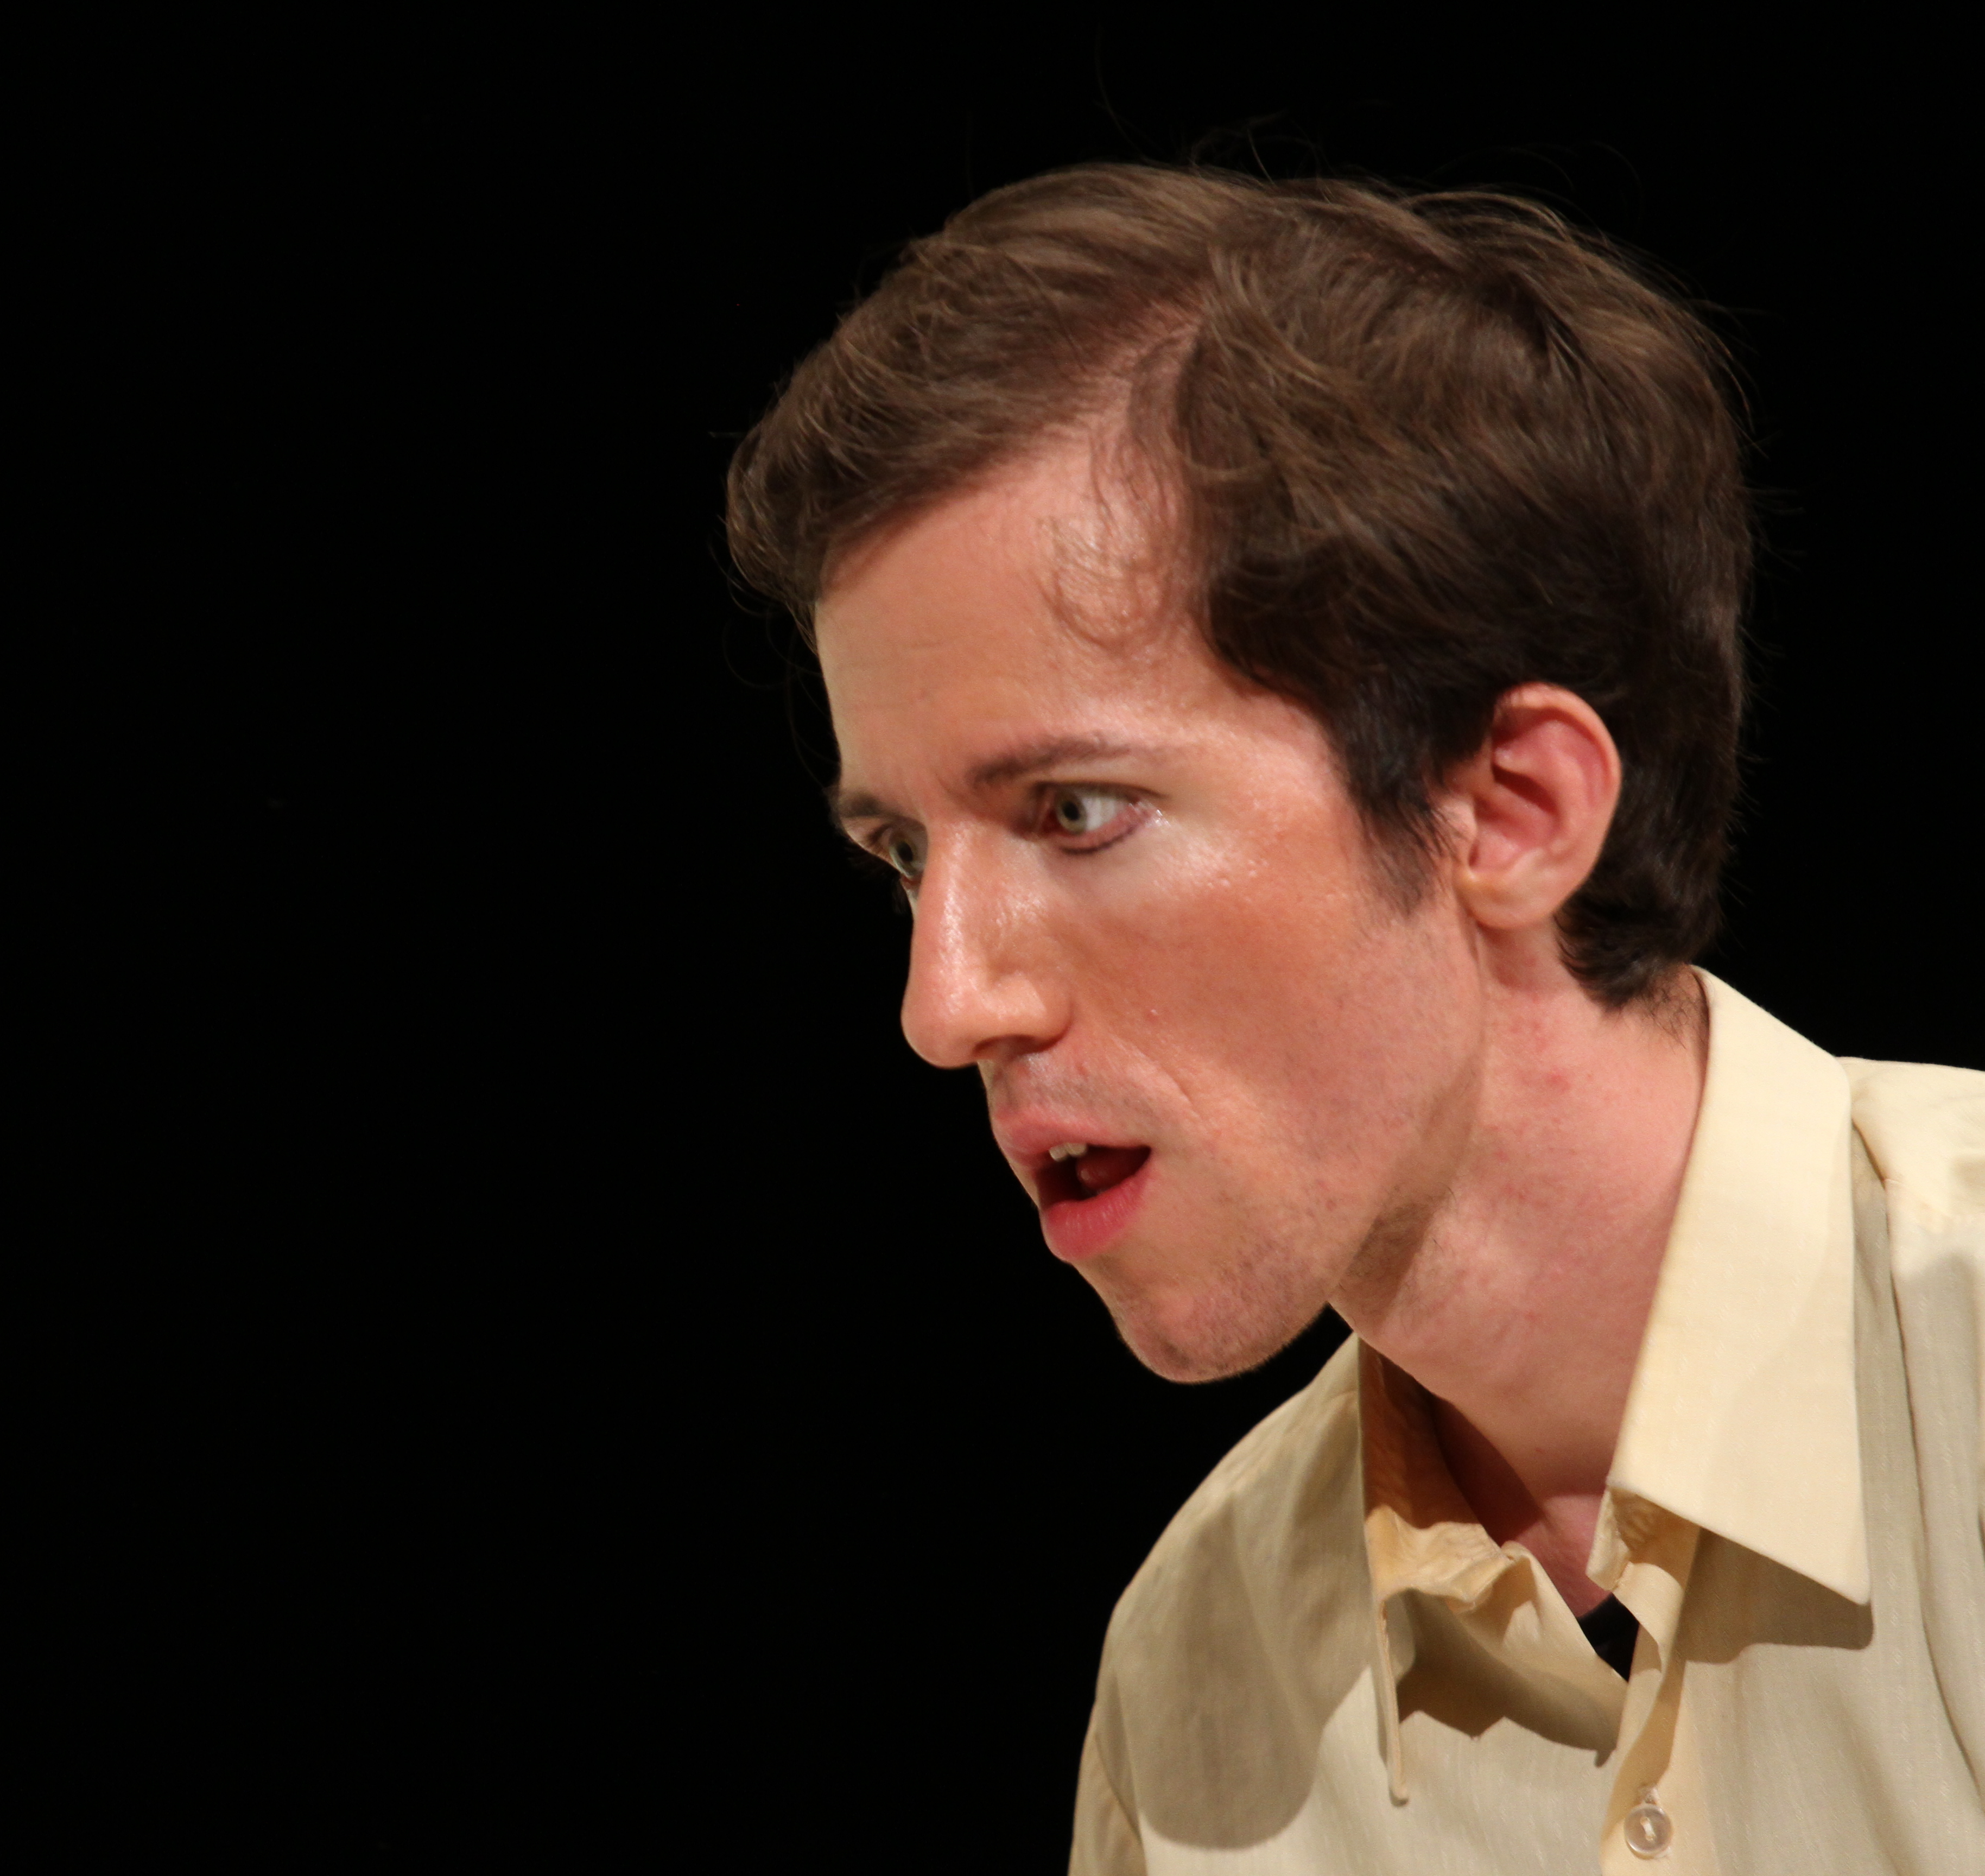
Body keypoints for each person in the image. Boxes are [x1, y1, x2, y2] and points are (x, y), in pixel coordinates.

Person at [724, 164, 1985, 1873]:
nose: (945, 1005)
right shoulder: (1197, 1685)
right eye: (902, 854)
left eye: (1077, 812)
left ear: (1510, 811)